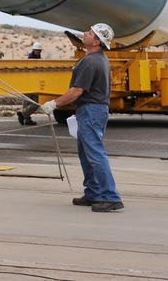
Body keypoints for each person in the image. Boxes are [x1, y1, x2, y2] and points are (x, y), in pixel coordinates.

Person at [39, 23, 123, 212]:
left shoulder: (90, 61)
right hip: (93, 110)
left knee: (95, 154)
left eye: (90, 32)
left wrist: (54, 104)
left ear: (97, 41)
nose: (85, 33)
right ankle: (94, 193)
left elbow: (77, 91)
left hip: (91, 110)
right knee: (87, 154)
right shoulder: (98, 59)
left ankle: (110, 197)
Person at [16, 41, 44, 125]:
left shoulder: (35, 59)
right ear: (34, 50)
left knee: (27, 103)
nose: (38, 52)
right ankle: (23, 114)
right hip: (30, 83)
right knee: (35, 104)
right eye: (37, 50)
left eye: (39, 51)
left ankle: (27, 119)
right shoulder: (32, 60)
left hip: (29, 83)